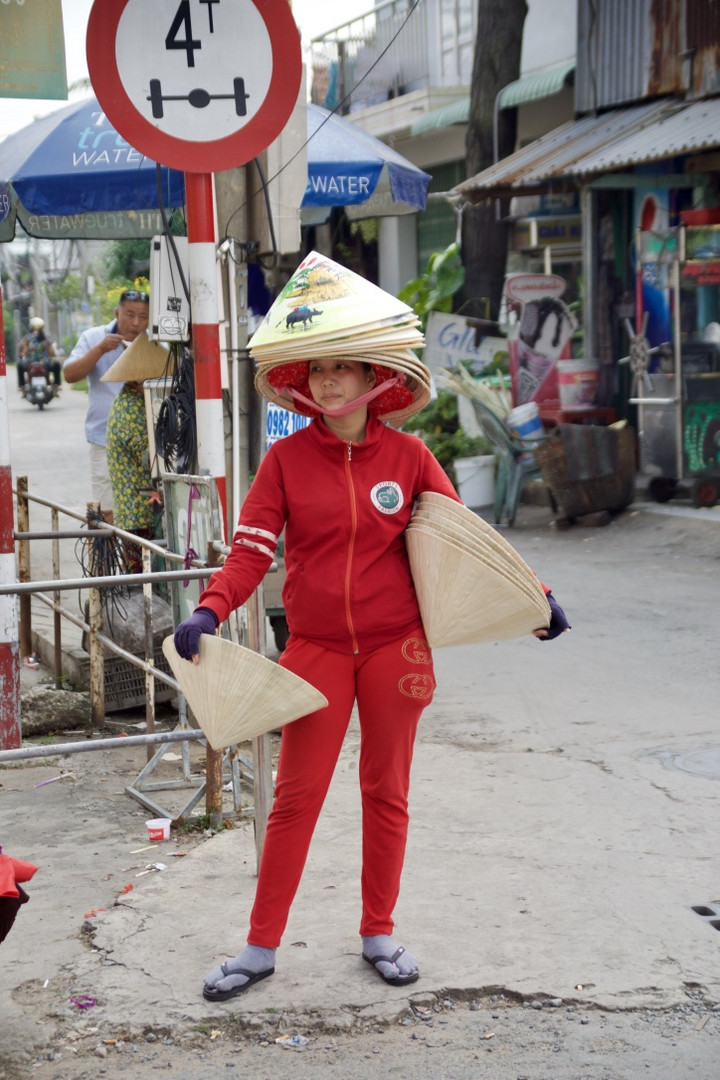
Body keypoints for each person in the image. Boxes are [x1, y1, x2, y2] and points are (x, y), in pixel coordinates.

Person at [172, 262, 570, 1003]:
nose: (327, 383)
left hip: (396, 650)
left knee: (386, 792)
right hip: (315, 651)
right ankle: (260, 948)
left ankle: (378, 933)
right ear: (304, 381)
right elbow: (253, 549)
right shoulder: (285, 462)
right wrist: (211, 609)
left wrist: (535, 597)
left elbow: (464, 539)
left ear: (374, 378)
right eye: (317, 370)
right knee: (294, 799)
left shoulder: (411, 457)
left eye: (342, 369)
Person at [63, 290, 150, 523]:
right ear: (117, 312)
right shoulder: (94, 337)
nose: (136, 322)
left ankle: (137, 559)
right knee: (106, 511)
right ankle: (105, 559)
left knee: (143, 514)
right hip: (103, 442)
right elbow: (70, 375)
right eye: (130, 314)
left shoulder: (154, 341)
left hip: (147, 445)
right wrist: (100, 350)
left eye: (143, 316)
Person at [102, 334, 170, 574]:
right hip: (137, 513)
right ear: (139, 381)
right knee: (142, 578)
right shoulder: (129, 409)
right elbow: (149, 457)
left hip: (144, 509)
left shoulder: (140, 402)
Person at [17, 317, 61, 394]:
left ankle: (22, 387)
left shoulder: (27, 338)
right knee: (57, 364)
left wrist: (23, 355)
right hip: (45, 363)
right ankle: (56, 385)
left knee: (19, 365)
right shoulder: (46, 339)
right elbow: (52, 352)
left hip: (29, 363)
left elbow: (25, 352)